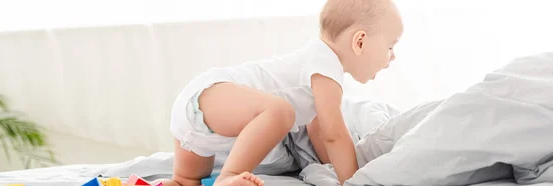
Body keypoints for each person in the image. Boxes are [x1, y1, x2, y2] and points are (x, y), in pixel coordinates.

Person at [155, 0, 404, 185]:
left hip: (197, 120)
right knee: (280, 111)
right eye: (390, 46)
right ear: (359, 42)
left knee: (185, 181)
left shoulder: (317, 67)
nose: (392, 57)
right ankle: (228, 177)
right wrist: (356, 181)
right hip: (210, 95)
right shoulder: (326, 66)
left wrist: (330, 168)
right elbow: (334, 134)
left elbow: (317, 129)